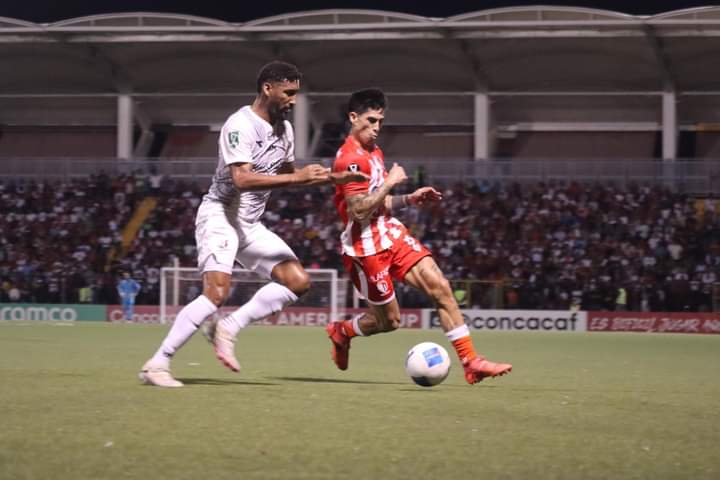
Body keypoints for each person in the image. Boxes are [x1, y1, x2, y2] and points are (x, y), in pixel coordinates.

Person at [139, 61, 366, 387]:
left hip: (250, 223)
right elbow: (242, 179)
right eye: (289, 92)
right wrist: (297, 175)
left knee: (297, 281)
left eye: (297, 93)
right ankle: (157, 364)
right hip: (220, 215)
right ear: (268, 88)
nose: (293, 100)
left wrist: (335, 177)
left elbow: (292, 178)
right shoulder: (239, 125)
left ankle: (227, 327)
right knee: (216, 293)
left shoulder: (285, 130)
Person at [325, 89, 512, 385]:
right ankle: (343, 331)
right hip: (365, 248)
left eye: (380, 122)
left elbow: (380, 203)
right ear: (353, 117)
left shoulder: (375, 153)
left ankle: (471, 362)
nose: (376, 128)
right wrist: (389, 182)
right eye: (371, 120)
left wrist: (409, 199)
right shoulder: (349, 159)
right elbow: (359, 210)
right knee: (389, 322)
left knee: (440, 286)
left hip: (390, 232)